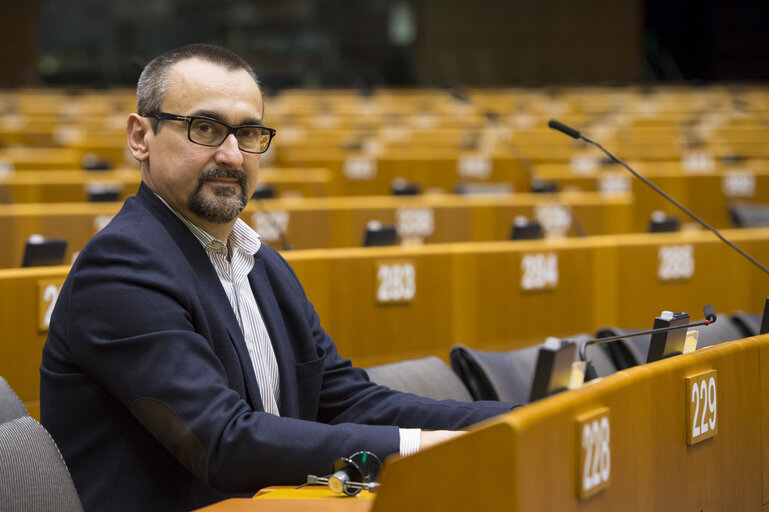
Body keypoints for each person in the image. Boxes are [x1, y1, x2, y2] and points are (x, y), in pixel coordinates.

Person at [40, 43, 514, 512]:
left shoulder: (264, 266)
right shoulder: (120, 269)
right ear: (140, 136)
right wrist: (416, 447)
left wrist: (508, 423)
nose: (231, 154)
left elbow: (344, 401)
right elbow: (223, 440)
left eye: (247, 134)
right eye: (205, 129)